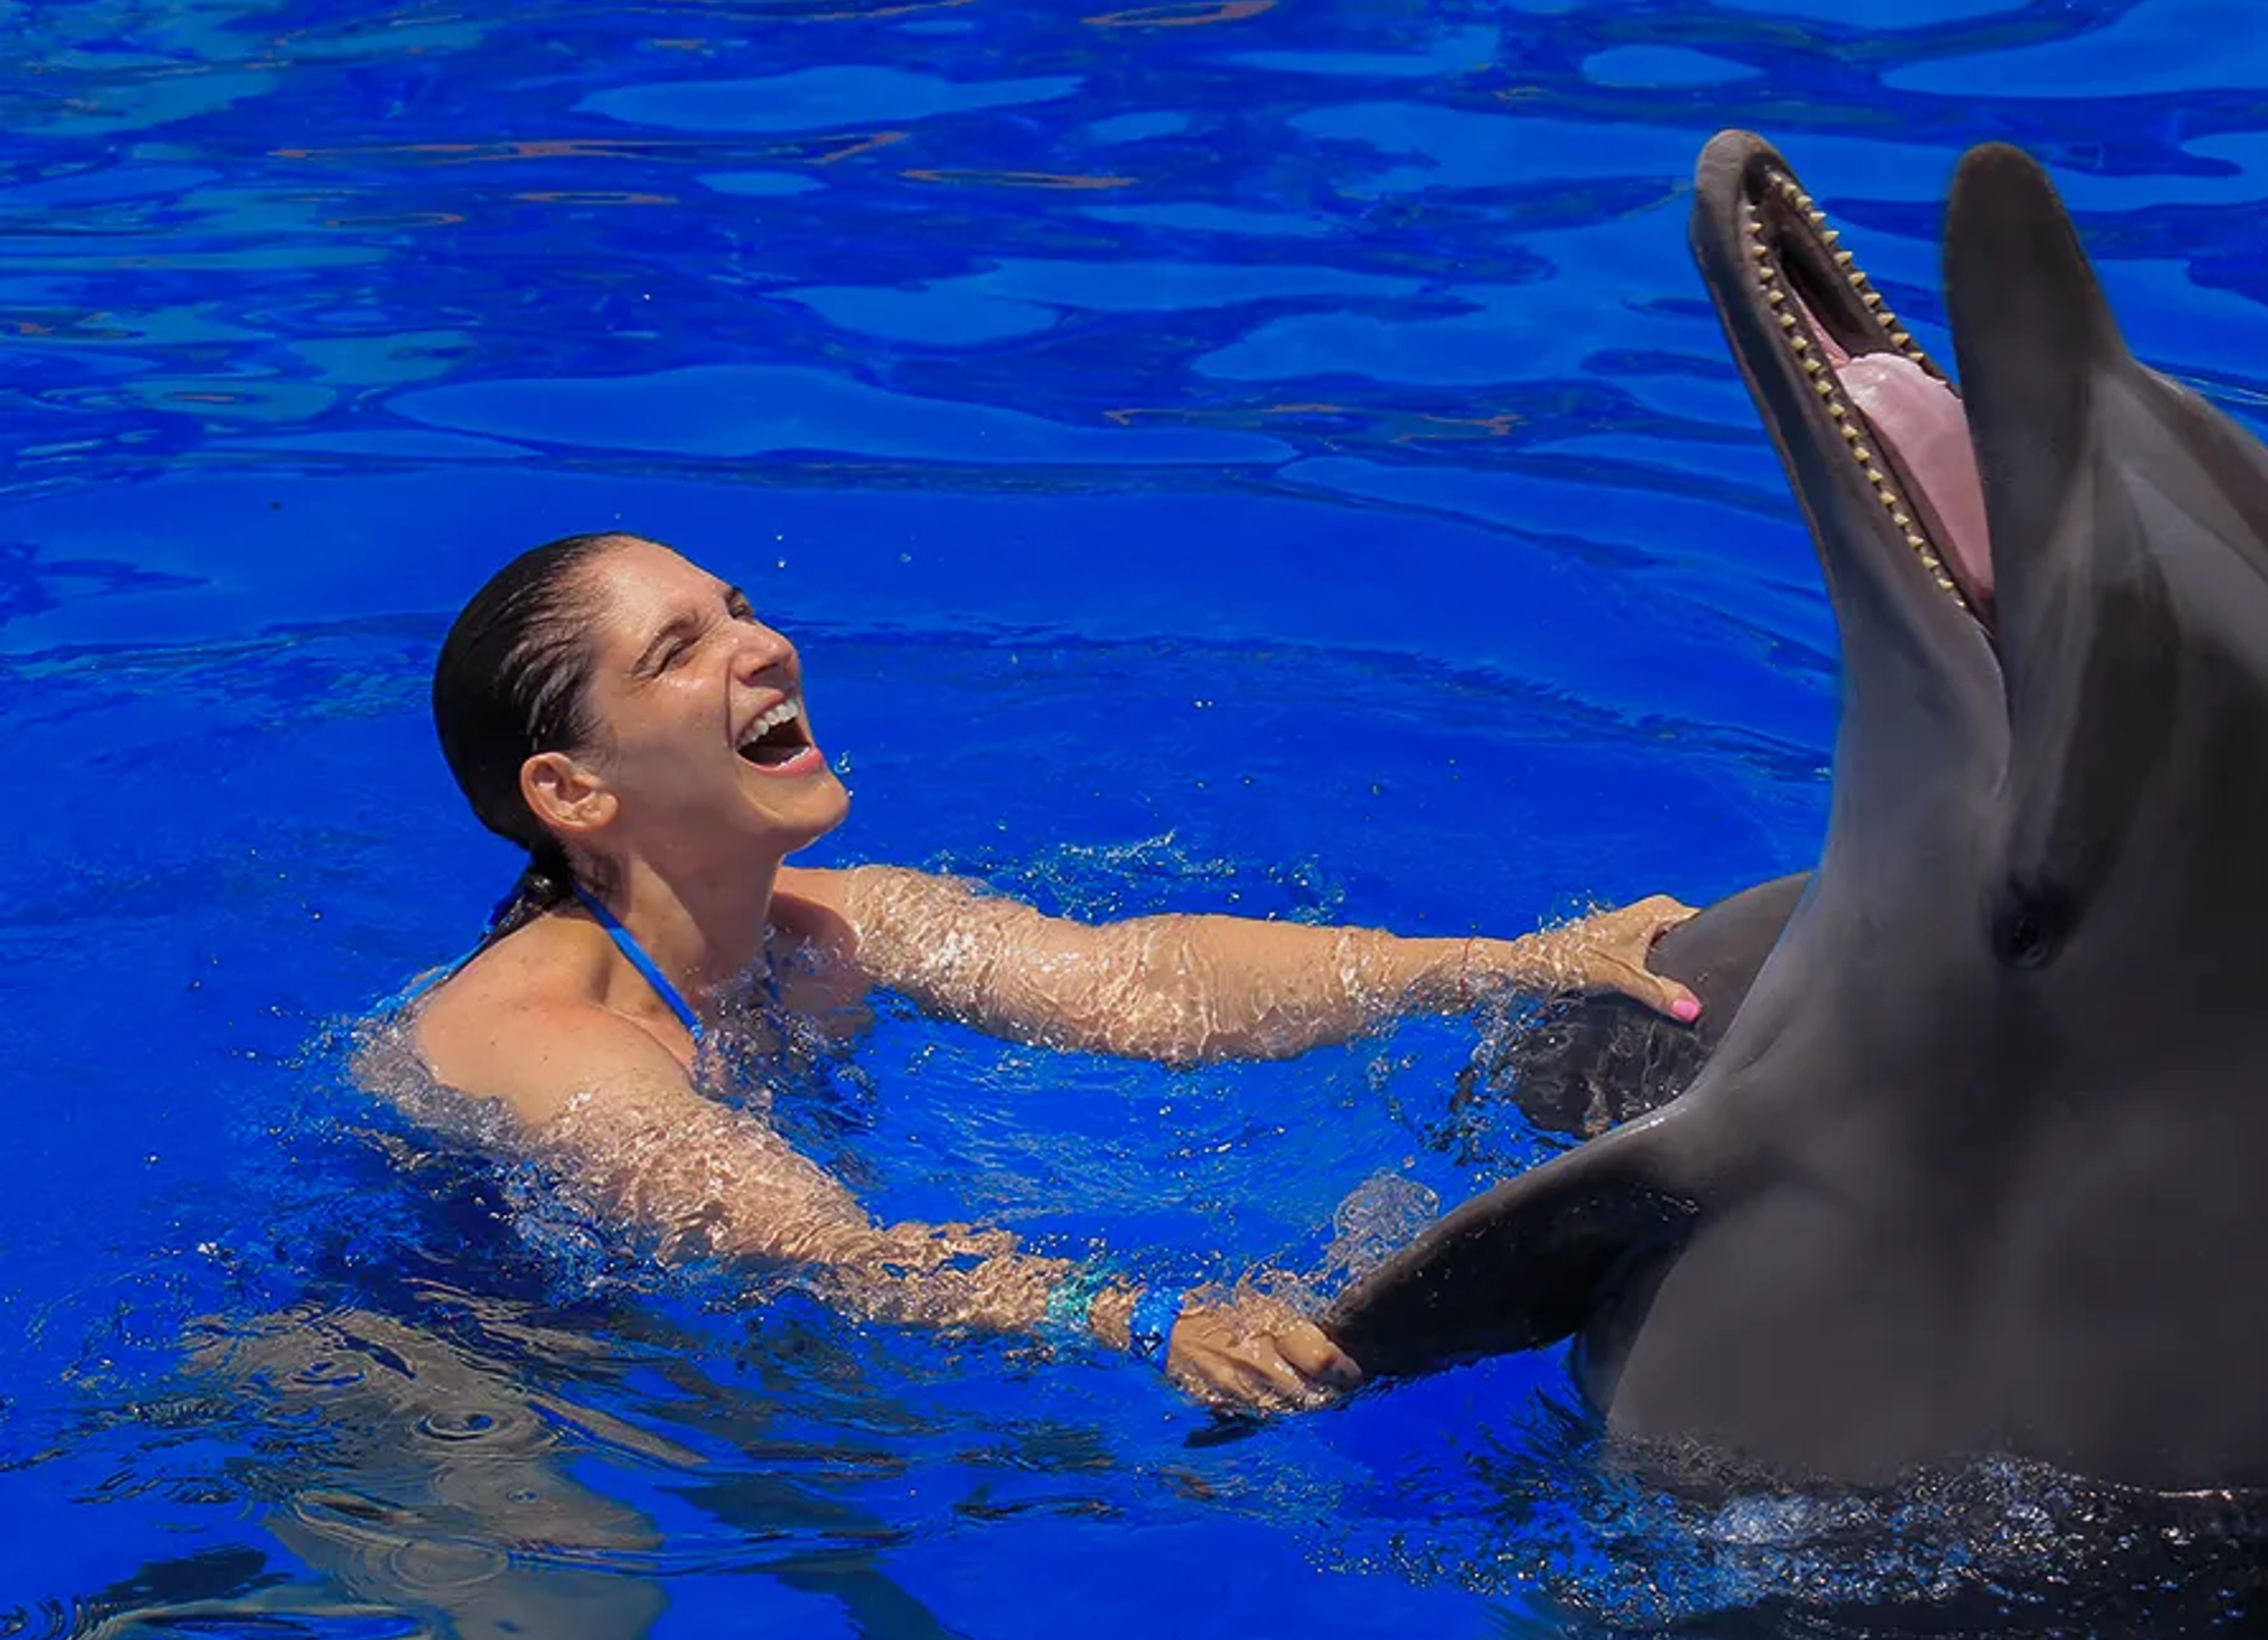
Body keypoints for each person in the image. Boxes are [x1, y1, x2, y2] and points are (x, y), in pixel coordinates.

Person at [386, 532, 1703, 1413]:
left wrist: (1511, 962)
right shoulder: (556, 1037)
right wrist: (1137, 1319)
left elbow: (1141, 985)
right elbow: (819, 1251)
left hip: (645, 1337)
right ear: (571, 789)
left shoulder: (828, 928)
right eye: (678, 652)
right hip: (446, 1360)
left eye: (738, 609)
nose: (766, 647)